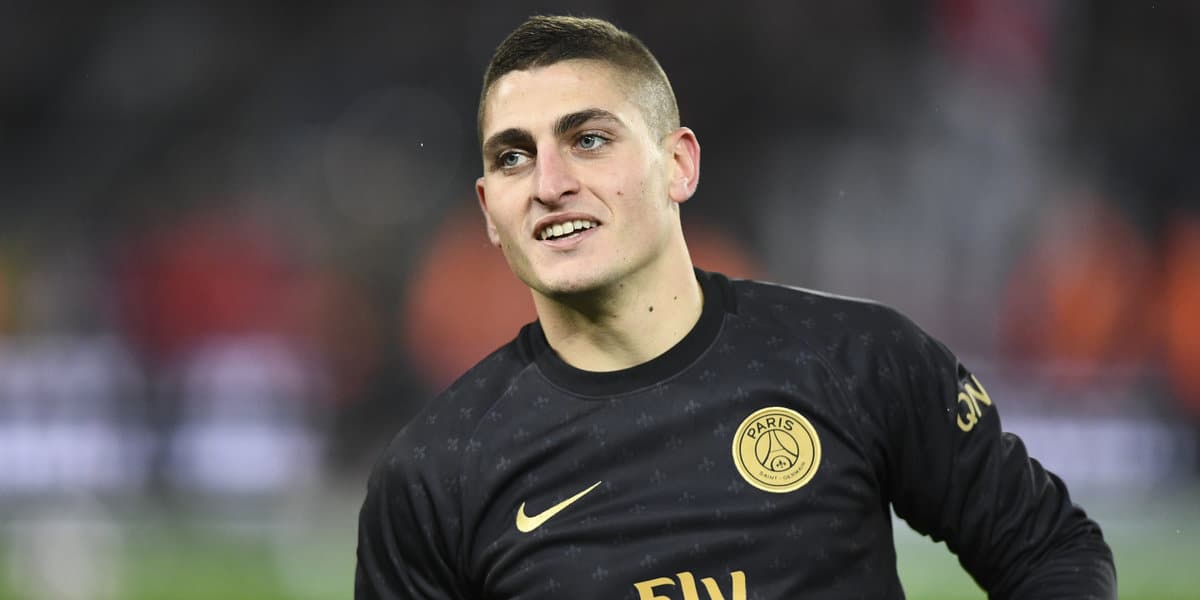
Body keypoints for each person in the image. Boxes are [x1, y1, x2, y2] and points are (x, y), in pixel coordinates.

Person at [356, 15, 1115, 599]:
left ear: (678, 166)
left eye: (588, 140)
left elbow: (1053, 551)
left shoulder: (859, 361)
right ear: (490, 211)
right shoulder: (434, 473)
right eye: (513, 156)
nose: (549, 183)